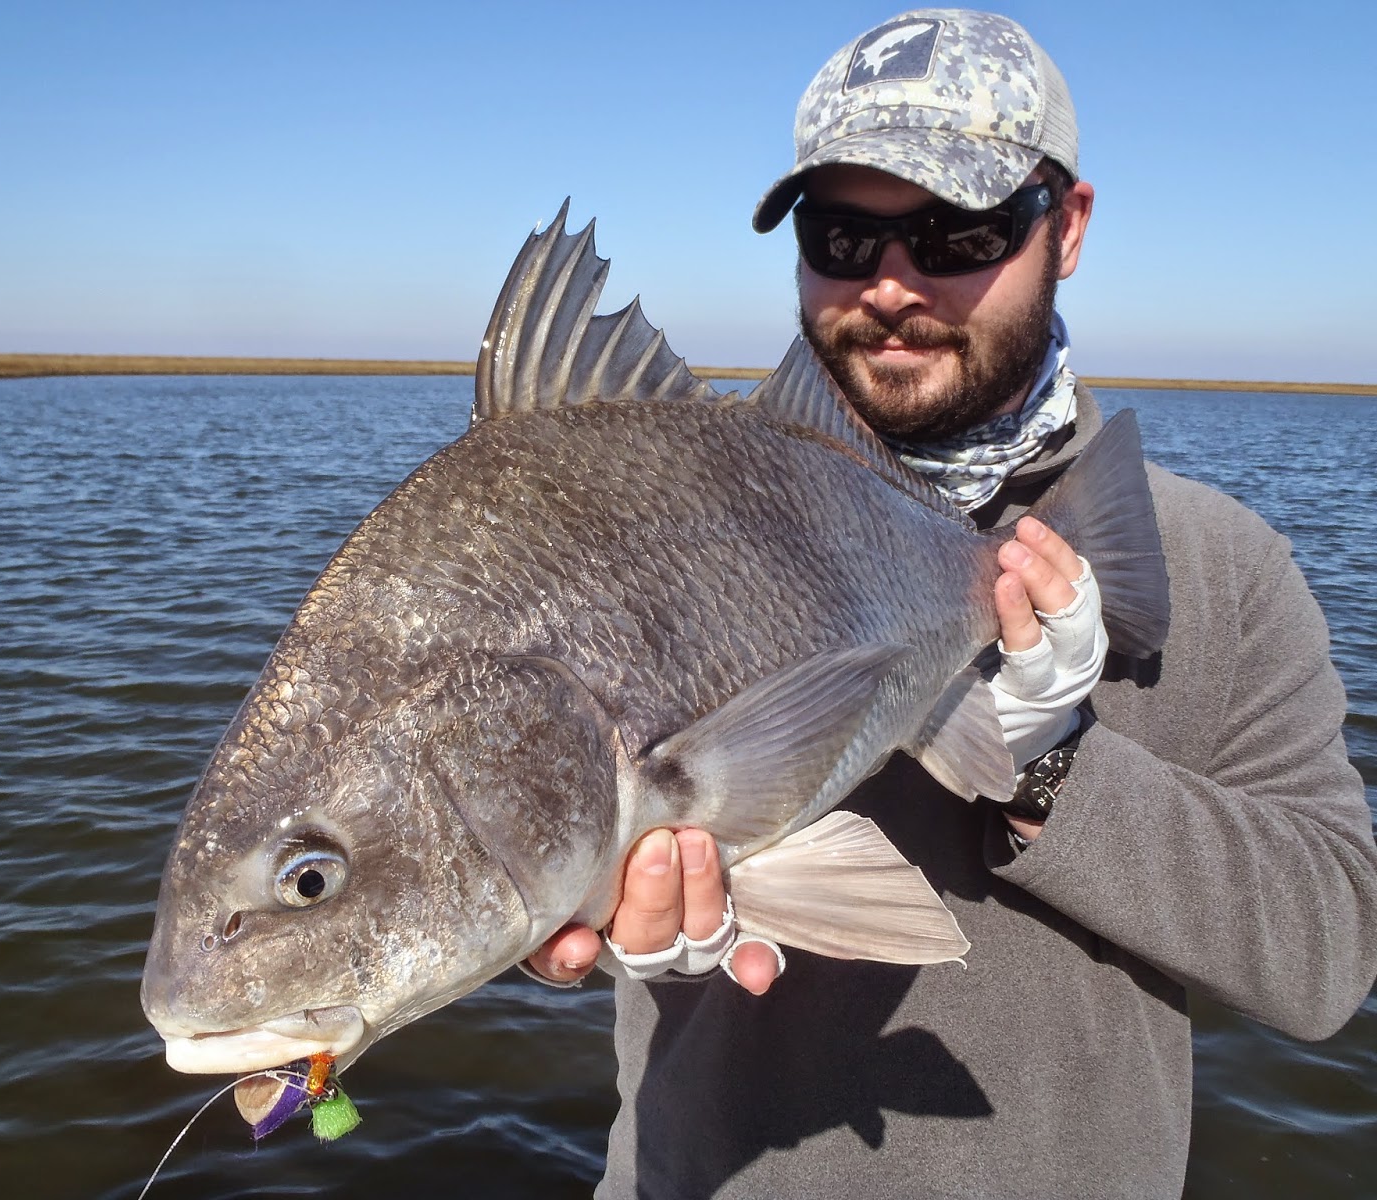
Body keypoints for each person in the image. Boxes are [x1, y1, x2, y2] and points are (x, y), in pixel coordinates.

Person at [525, 9, 1377, 1198]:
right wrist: (532, 896)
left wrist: (1053, 765)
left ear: (1066, 226)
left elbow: (1326, 951)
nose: (888, 284)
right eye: (841, 233)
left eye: (956, 230)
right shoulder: (646, 518)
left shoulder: (1218, 561)